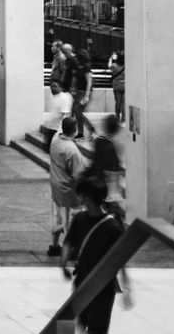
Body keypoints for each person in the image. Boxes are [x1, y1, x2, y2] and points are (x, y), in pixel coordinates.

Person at [61, 178, 132, 334]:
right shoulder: (80, 219)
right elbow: (68, 243)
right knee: (82, 323)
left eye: (80, 195)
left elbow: (120, 259)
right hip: (82, 282)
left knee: (97, 327)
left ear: (87, 198)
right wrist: (63, 264)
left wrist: (127, 289)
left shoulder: (112, 227)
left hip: (103, 286)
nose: (78, 198)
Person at [48, 116, 88, 256]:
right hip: (69, 189)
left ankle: (54, 246)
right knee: (72, 219)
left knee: (57, 216)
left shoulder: (55, 138)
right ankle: (70, 250)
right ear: (75, 130)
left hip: (55, 184)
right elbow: (78, 175)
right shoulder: (71, 150)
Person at [86, 115, 126, 221]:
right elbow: (115, 165)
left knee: (106, 205)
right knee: (111, 205)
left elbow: (96, 160)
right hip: (110, 180)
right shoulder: (114, 144)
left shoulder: (100, 141)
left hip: (101, 178)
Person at [68, 45, 95, 140]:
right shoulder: (79, 66)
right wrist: (73, 88)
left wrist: (86, 96)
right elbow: (75, 78)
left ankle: (91, 129)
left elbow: (89, 82)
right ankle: (80, 133)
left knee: (78, 112)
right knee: (77, 112)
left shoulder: (86, 67)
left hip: (84, 92)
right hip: (79, 92)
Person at [108, 52, 125, 123]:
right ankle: (123, 117)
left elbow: (109, 67)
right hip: (124, 85)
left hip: (116, 86)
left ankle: (117, 117)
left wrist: (110, 59)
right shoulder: (126, 65)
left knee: (117, 101)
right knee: (123, 102)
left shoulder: (114, 66)